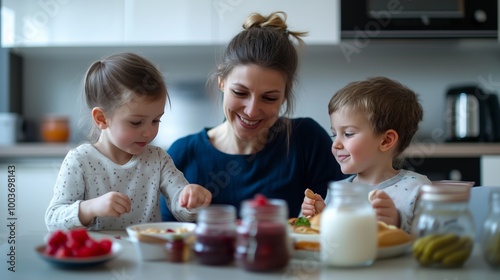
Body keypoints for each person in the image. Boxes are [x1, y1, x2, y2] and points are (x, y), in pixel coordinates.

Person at [160, 11, 345, 221]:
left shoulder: (305, 141)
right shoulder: (183, 154)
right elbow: (168, 239)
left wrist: (327, 214)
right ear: (222, 81)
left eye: (269, 98)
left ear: (284, 95)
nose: (251, 111)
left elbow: (341, 215)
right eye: (240, 93)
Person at [45, 52, 211, 231]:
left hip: (145, 254)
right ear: (102, 118)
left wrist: (191, 200)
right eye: (136, 122)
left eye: (156, 120)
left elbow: (182, 210)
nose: (149, 132)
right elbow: (53, 219)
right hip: (101, 256)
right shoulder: (80, 160)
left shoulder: (158, 159)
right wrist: (91, 207)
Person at [301, 76, 431, 233]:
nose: (336, 144)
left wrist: (397, 221)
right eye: (334, 134)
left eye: (348, 134)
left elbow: (432, 241)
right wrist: (320, 217)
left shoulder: (417, 188)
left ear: (386, 141)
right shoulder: (338, 191)